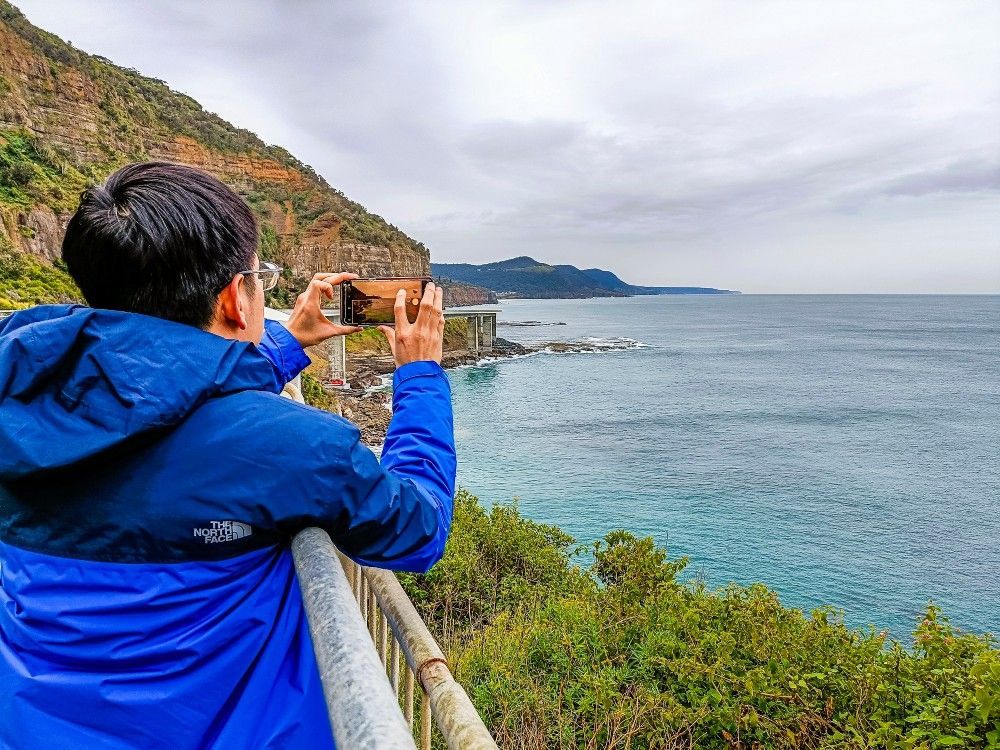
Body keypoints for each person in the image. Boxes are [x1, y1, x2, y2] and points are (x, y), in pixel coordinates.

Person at [0, 162, 456, 748]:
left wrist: (289, 338)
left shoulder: (20, 396)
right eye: (256, 275)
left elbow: (151, 385)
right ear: (237, 298)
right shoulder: (294, 446)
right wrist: (419, 377)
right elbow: (417, 528)